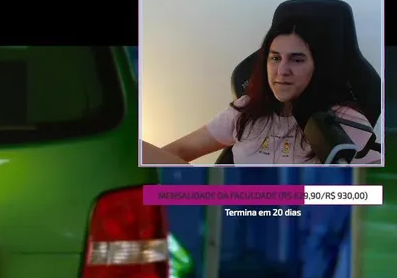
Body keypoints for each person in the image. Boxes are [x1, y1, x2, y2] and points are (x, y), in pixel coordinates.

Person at [142, 15, 382, 166]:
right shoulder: (245, 109)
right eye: (275, 58)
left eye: (297, 60)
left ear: (317, 67)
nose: (282, 70)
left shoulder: (345, 121)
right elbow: (179, 150)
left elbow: (373, 194)